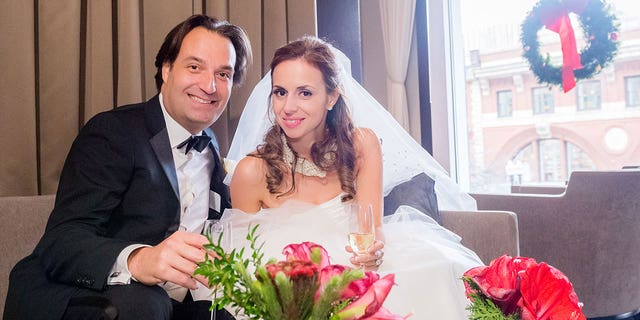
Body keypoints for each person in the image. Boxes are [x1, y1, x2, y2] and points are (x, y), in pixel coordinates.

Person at [4, 15, 251, 320]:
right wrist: (138, 259)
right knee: (146, 305)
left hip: (167, 304)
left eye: (223, 74)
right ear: (167, 69)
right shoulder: (113, 132)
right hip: (84, 298)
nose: (209, 85)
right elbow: (61, 241)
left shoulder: (210, 146)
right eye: (194, 67)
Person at [221, 36, 484, 319]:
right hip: (297, 290)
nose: (288, 107)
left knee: (438, 268)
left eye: (305, 93)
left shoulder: (363, 146)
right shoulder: (252, 172)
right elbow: (244, 262)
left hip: (358, 267)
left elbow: (371, 229)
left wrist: (373, 251)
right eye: (280, 92)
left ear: (332, 97)